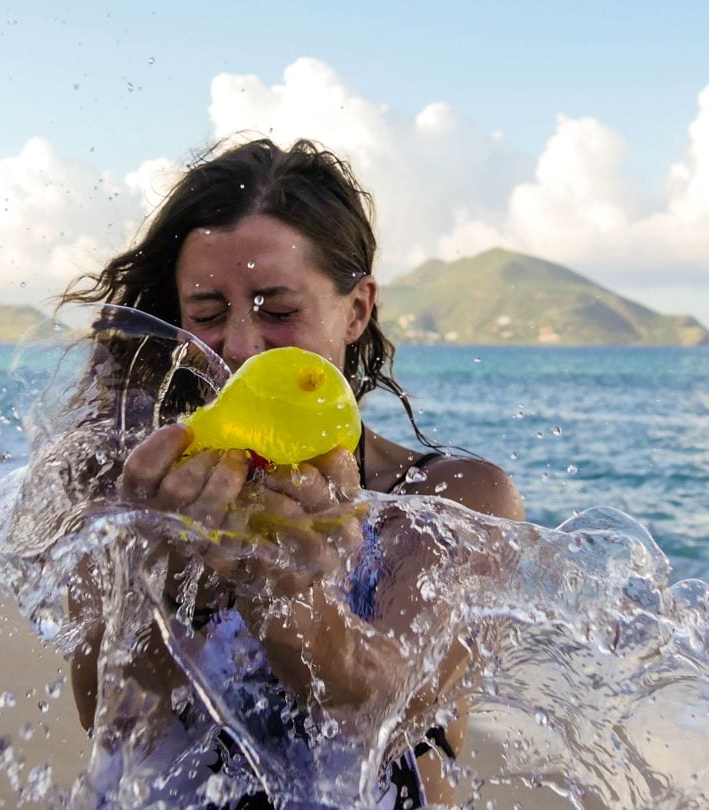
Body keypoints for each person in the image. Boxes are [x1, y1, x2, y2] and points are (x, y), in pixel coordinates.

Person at [56, 138, 525, 807]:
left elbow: (396, 707)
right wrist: (158, 574)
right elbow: (108, 711)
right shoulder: (139, 485)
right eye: (208, 315)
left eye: (279, 311)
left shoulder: (456, 498)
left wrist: (287, 598)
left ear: (357, 310)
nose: (243, 347)